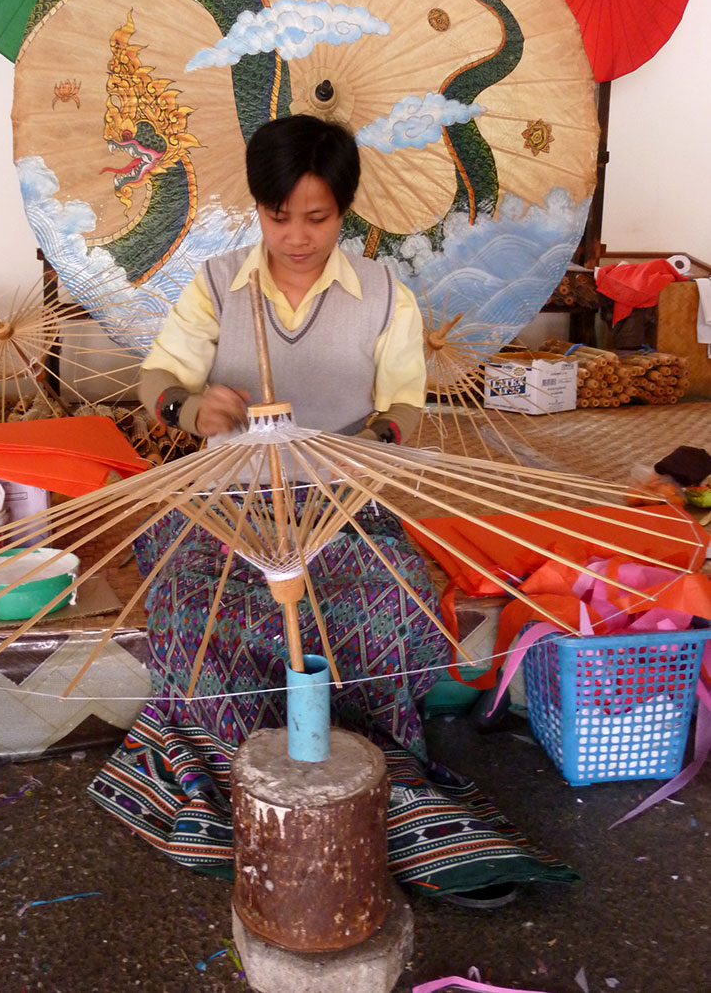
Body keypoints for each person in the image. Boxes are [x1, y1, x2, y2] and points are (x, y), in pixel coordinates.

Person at [88, 115, 577, 905]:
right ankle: (238, 785)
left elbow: (406, 408)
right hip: (228, 500)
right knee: (189, 609)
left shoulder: (384, 295)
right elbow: (160, 380)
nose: (296, 236)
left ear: (344, 210)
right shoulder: (217, 285)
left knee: (386, 600)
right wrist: (188, 409)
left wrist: (369, 438)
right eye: (277, 216)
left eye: (316, 217)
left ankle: (364, 773)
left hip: (340, 498)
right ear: (257, 208)